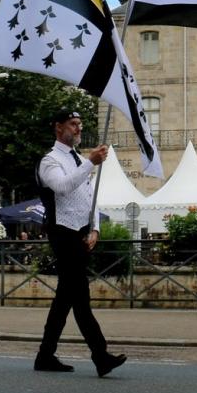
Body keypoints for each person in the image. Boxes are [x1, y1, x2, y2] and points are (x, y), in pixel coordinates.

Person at [34, 108, 128, 377]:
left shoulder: (76, 159)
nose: (78, 129)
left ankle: (45, 354)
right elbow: (62, 187)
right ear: (58, 127)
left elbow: (90, 195)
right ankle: (100, 355)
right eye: (73, 124)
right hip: (62, 233)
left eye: (79, 124)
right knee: (80, 297)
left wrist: (95, 227)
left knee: (65, 299)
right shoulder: (50, 161)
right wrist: (91, 163)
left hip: (79, 233)